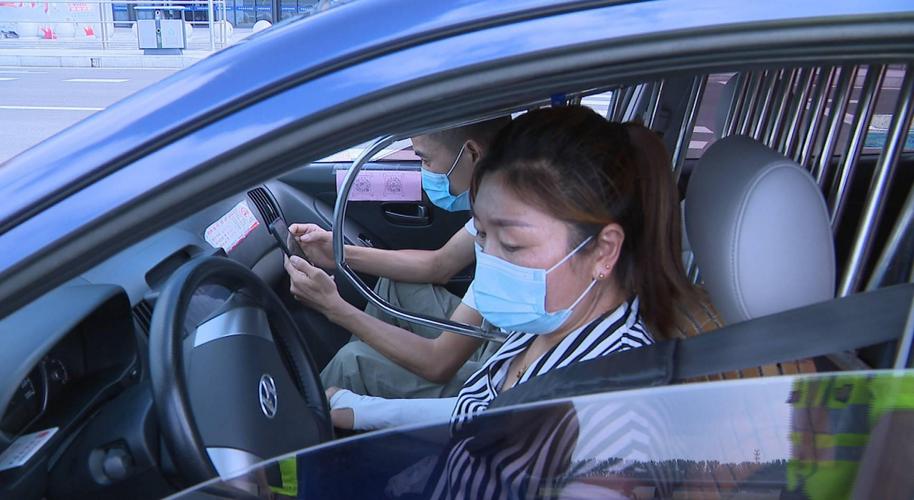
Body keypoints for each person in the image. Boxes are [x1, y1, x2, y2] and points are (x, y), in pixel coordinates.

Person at [291, 106, 696, 436]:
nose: (490, 260)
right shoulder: (541, 326)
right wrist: (364, 412)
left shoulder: (613, 404)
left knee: (353, 361)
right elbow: (481, 411)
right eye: (482, 236)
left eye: (513, 245)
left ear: (603, 252)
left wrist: (337, 309)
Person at [285, 117, 510, 400]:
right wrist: (339, 253)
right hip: (493, 333)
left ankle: (324, 411)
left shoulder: (505, 237)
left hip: (500, 369)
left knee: (352, 363)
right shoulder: (497, 201)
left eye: (426, 160)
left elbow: (439, 362)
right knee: (394, 286)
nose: (423, 171)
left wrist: (334, 307)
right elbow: (439, 264)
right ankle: (357, 392)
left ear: (472, 153)